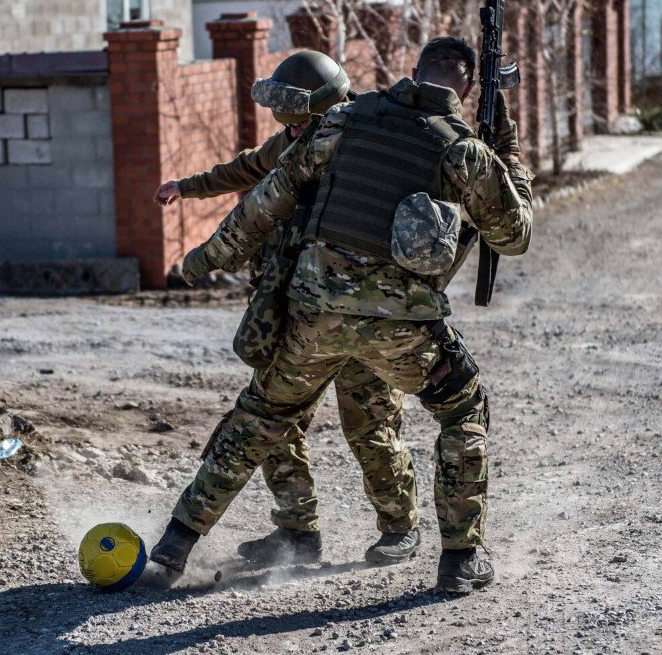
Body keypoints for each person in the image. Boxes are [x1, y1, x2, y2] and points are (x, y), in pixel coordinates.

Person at [145, 37, 533, 594]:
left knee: (259, 415)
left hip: (314, 316)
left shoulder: (345, 121)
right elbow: (514, 236)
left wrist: (204, 260)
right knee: (462, 410)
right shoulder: (465, 150)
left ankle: (175, 544)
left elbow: (267, 198)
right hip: (401, 328)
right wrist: (507, 151)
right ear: (468, 88)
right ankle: (460, 558)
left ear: (413, 70)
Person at [154, 51, 422, 567]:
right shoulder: (297, 141)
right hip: (302, 316)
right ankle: (297, 533)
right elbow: (249, 167)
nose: (293, 133)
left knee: (371, 426)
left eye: (300, 123)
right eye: (290, 125)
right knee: (277, 423)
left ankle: (399, 528)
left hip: (370, 312)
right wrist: (186, 187)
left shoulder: (370, 142)